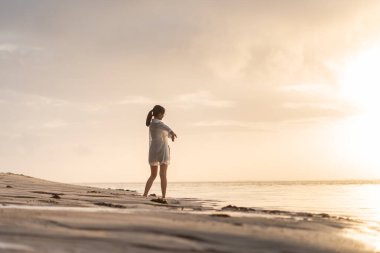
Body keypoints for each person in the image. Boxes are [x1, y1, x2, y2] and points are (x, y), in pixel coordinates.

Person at [143, 105, 177, 203]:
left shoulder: (151, 124)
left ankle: (145, 194)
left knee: (153, 175)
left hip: (153, 150)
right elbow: (165, 127)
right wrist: (172, 132)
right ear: (159, 114)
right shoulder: (159, 124)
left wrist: (171, 135)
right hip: (162, 150)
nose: (164, 116)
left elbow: (163, 132)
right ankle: (163, 196)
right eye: (163, 114)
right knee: (163, 174)